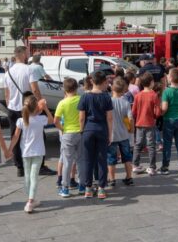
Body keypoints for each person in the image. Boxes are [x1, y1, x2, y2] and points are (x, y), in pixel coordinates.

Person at [8, 95, 53, 212]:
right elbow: (51, 120)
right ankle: (30, 201)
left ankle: (30, 199)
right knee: (34, 177)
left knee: (28, 177)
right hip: (38, 152)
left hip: (25, 153)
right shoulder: (41, 119)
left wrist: (9, 150)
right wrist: (45, 108)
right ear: (36, 107)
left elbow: (15, 137)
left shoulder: (21, 121)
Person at [4, 46, 43, 177]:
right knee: (36, 134)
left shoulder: (8, 72)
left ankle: (19, 166)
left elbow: (6, 94)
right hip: (27, 108)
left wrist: (10, 104)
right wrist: (40, 103)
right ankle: (39, 165)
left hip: (12, 108)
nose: (28, 55)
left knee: (15, 136)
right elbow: (35, 89)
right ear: (21, 54)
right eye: (27, 53)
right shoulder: (29, 69)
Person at [78, 71, 113, 199]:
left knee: (88, 160)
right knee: (102, 159)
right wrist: (110, 133)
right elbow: (109, 118)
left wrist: (82, 131)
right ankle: (101, 189)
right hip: (102, 130)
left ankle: (88, 188)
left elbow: (81, 117)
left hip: (88, 130)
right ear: (103, 82)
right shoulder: (106, 97)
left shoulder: (84, 97)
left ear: (92, 81)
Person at [54, 78, 85, 197]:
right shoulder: (81, 99)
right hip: (80, 133)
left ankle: (65, 188)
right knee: (80, 160)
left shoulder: (62, 102)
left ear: (64, 89)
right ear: (76, 88)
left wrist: (62, 129)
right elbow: (83, 117)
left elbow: (56, 121)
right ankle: (82, 185)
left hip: (67, 133)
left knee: (67, 161)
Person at [159, 68, 178, 175]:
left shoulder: (166, 92)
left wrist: (160, 113)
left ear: (170, 78)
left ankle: (165, 167)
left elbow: (165, 107)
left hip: (169, 120)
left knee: (167, 143)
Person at [132, 72, 161, 176]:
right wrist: (154, 116)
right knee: (151, 145)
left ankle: (135, 165)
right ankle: (152, 167)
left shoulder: (138, 96)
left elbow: (134, 111)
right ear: (151, 82)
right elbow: (158, 112)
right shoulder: (154, 95)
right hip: (150, 123)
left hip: (139, 123)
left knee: (138, 144)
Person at [107, 77, 134, 186]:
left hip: (111, 134)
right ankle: (129, 177)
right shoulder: (126, 102)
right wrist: (131, 129)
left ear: (112, 89)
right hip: (124, 134)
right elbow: (130, 118)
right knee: (127, 157)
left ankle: (112, 179)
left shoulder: (108, 101)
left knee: (111, 158)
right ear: (124, 90)